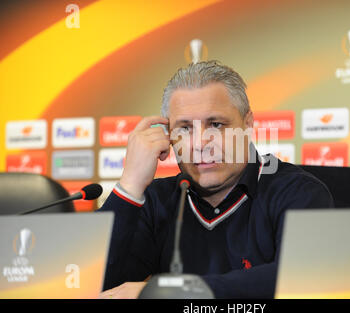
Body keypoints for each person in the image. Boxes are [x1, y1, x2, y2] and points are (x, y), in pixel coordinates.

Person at [98, 61, 334, 299]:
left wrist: (174, 292)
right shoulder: (155, 201)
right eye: (185, 128)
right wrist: (130, 186)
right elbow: (91, 284)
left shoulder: (298, 192)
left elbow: (304, 278)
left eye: (216, 124)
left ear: (248, 125)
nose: (200, 144)